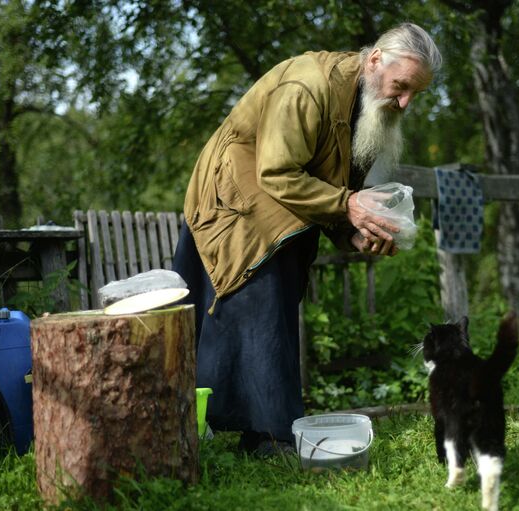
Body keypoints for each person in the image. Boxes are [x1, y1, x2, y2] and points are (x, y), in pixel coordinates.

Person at [172, 22, 441, 456]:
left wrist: (352, 232)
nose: (405, 101)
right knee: (262, 300)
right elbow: (277, 172)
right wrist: (350, 208)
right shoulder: (306, 85)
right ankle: (271, 435)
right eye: (402, 86)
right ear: (374, 61)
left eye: (415, 94)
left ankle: (258, 432)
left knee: (274, 311)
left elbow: (335, 185)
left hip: (282, 203)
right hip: (234, 197)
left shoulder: (367, 104)